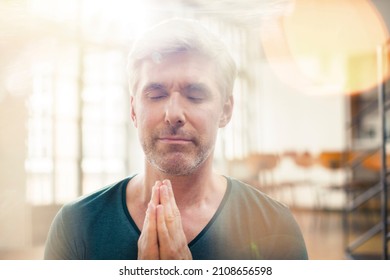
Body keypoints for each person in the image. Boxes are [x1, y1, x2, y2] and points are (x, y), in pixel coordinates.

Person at [44, 18, 308, 260]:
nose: (173, 114)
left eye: (195, 95)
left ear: (225, 110)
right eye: (156, 95)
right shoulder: (76, 224)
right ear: (134, 110)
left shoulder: (275, 225)